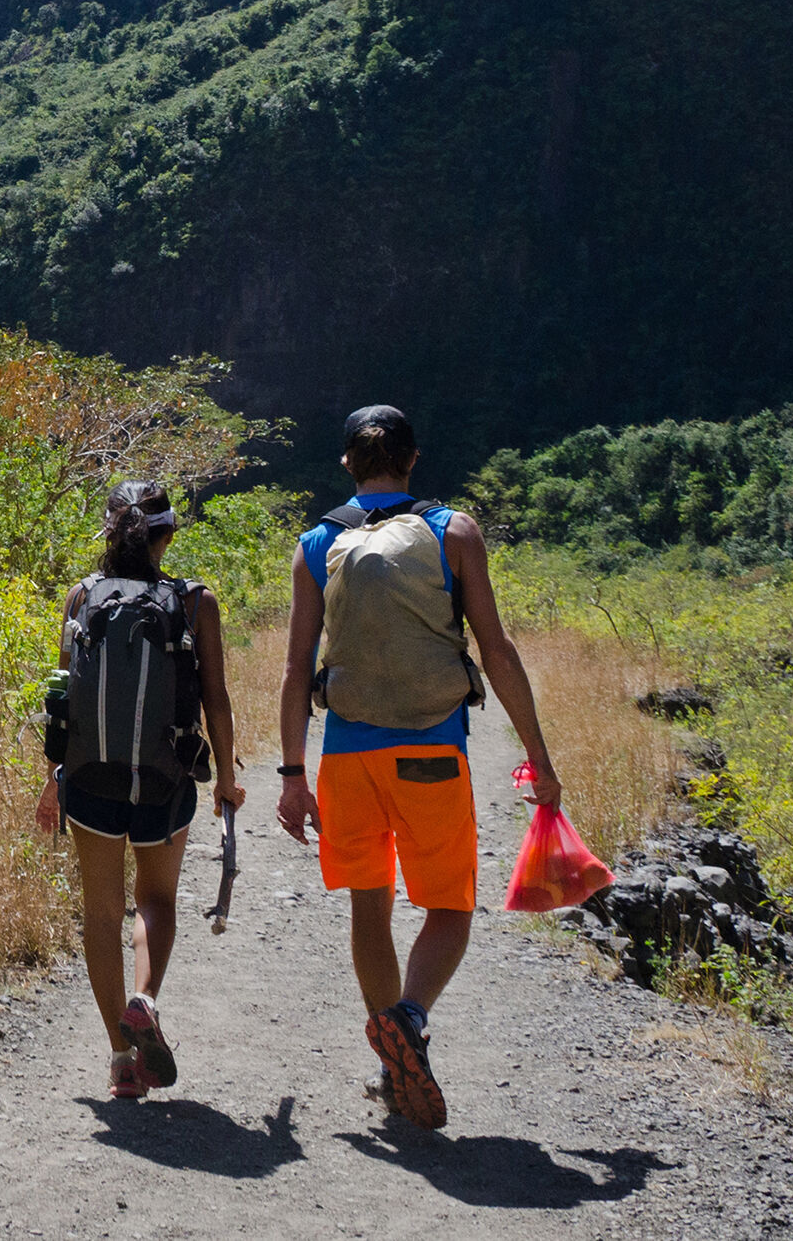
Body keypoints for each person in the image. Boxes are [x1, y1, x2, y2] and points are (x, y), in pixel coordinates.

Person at [274, 405, 562, 1131]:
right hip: (431, 749)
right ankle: (407, 1017)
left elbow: (294, 667)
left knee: (369, 905)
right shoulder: (453, 531)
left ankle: (389, 1059)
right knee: (449, 907)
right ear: (413, 458)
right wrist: (538, 754)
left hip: (346, 755)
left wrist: (290, 774)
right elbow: (495, 647)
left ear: (348, 463)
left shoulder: (318, 541)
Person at [35, 480, 243, 1100]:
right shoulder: (195, 601)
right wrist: (227, 776)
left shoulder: (82, 596)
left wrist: (53, 779)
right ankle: (143, 997)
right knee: (155, 900)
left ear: (108, 532)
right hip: (164, 778)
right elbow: (217, 699)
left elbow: (63, 696)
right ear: (168, 535)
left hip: (91, 775)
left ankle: (123, 1061)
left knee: (100, 913)